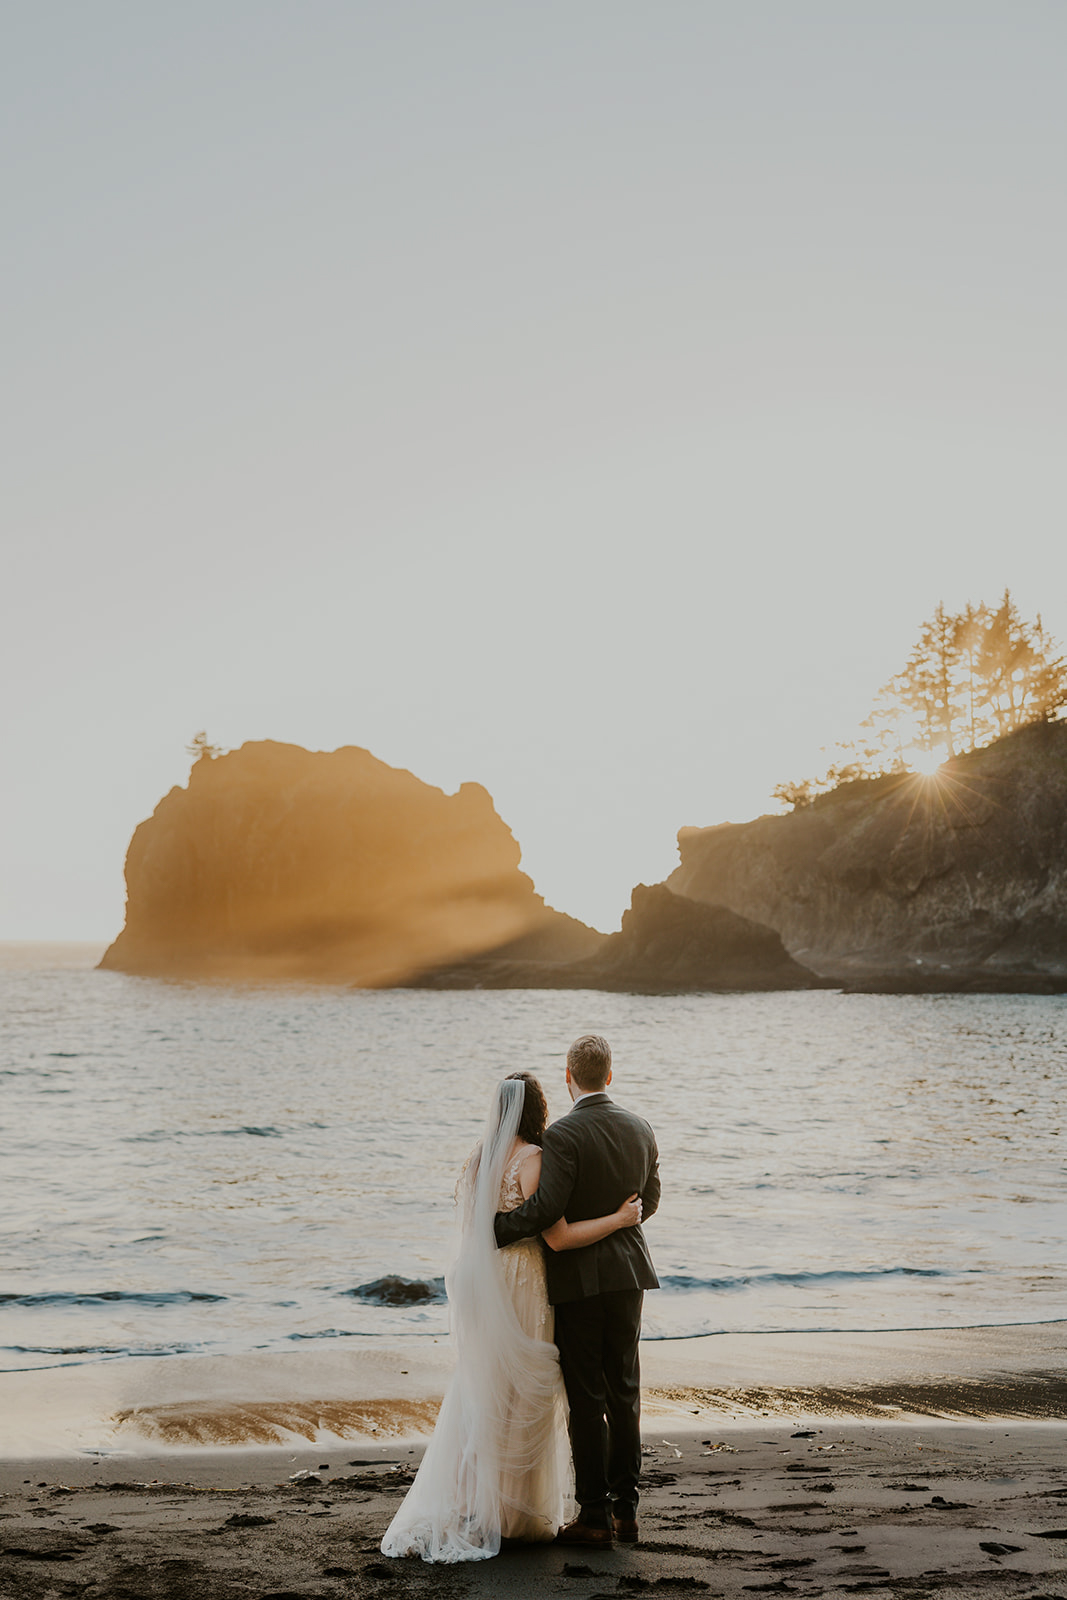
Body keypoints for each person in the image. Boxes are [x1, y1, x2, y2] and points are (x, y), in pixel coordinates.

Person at [380, 1070, 643, 1564]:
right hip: (524, 1283)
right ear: (538, 1109)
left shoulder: (477, 1160)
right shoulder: (533, 1158)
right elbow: (557, 1237)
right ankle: (512, 1513)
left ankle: (473, 1505)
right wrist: (621, 1218)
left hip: (487, 1284)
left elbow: (477, 1229)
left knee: (484, 1387)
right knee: (527, 1392)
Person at [494, 1034, 660, 1548]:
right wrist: (618, 1223)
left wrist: (496, 1230)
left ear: (569, 1077)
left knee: (587, 1398)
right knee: (625, 1391)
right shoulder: (641, 1127)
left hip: (580, 1282)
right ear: (609, 1075)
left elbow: (546, 1211)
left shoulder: (563, 1135)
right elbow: (648, 1202)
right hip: (630, 1275)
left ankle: (594, 1515)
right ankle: (627, 1511)